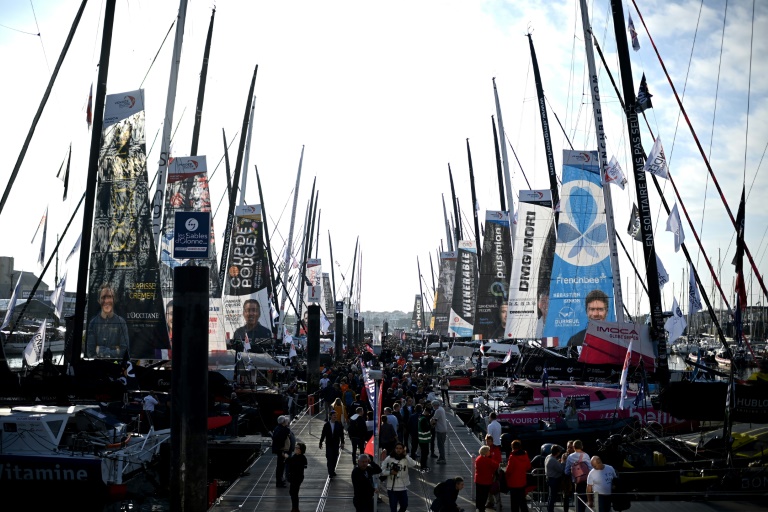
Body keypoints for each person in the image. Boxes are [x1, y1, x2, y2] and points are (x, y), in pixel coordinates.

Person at [87, 283, 130, 358]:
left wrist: (99, 349)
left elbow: (124, 351)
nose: (106, 301)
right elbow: (90, 351)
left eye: (109, 297)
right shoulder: (93, 323)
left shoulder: (121, 322)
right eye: (103, 297)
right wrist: (115, 350)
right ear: (99, 300)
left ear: (114, 299)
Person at [380, 442, 418, 512]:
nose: (398, 450)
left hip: (403, 487)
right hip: (392, 488)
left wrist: (406, 455)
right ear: (394, 449)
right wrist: (390, 472)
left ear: (403, 449)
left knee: (404, 505)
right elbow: (382, 471)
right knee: (393, 508)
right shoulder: (389, 458)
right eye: (397, 448)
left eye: (400, 448)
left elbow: (413, 464)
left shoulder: (406, 459)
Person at [564, 440, 592, 512]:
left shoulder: (570, 457)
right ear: (581, 446)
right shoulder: (586, 455)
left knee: (578, 500)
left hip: (577, 481)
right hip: (586, 480)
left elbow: (566, 471)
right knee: (584, 500)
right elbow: (590, 468)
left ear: (573, 447)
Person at [505, 439, 532, 512]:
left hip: (513, 482)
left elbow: (509, 470)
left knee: (514, 503)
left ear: (512, 447)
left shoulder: (512, 457)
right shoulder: (525, 454)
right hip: (522, 481)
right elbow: (528, 467)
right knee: (522, 501)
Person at [319, 410, 345, 477]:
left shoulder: (339, 424)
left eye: (336, 416)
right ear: (330, 416)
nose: (335, 417)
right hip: (329, 444)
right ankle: (330, 472)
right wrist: (320, 442)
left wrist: (342, 442)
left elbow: (341, 434)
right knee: (329, 458)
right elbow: (323, 434)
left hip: (336, 444)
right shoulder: (326, 425)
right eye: (334, 416)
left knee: (335, 458)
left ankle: (332, 470)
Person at [475, 445, 500, 512]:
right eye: (488, 451)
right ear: (486, 452)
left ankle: (479, 507)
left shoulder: (478, 459)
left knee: (479, 495)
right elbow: (496, 465)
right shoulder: (488, 460)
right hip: (486, 481)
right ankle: (482, 508)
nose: (490, 452)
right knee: (484, 495)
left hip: (478, 479)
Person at [285, 442, 308, 512]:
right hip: (292, 477)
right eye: (295, 447)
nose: (295, 449)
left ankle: (295, 508)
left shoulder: (302, 458)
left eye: (297, 448)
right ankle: (294, 507)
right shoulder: (294, 456)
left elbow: (300, 465)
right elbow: (290, 462)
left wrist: (288, 458)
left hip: (297, 478)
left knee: (294, 492)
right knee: (292, 492)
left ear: (301, 450)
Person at [484, 434, 503, 510]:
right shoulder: (485, 449)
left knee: (495, 487)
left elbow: (498, 460)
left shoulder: (495, 449)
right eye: (487, 441)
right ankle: (490, 501)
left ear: (492, 441)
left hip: (494, 471)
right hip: (487, 471)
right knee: (488, 486)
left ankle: (498, 502)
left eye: (489, 441)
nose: (488, 442)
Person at [272, 415, 291, 487]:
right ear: (283, 422)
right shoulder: (284, 430)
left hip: (280, 450)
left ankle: (280, 480)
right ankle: (279, 482)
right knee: (281, 466)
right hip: (282, 451)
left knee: (280, 466)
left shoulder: (277, 428)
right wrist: (282, 450)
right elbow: (281, 439)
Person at [545, 445, 565, 512]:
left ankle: (549, 509)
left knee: (550, 496)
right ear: (558, 453)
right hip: (553, 479)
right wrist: (562, 463)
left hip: (549, 478)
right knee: (553, 497)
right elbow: (561, 470)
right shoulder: (553, 460)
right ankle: (550, 510)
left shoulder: (548, 457)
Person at [432, 400, 448, 464]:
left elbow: (434, 419)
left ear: (435, 405)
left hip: (440, 430)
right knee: (441, 444)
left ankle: (442, 458)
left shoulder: (438, 410)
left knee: (440, 445)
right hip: (444, 429)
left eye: (433, 406)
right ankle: (441, 457)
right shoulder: (442, 409)